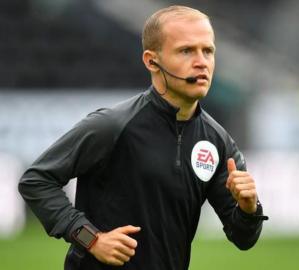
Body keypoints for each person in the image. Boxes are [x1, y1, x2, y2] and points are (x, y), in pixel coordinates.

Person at [18, 5, 267, 270]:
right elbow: (37, 180)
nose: (201, 61)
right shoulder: (112, 125)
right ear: (151, 61)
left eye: (208, 51)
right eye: (186, 50)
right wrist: (91, 239)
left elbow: (243, 238)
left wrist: (249, 209)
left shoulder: (218, 142)